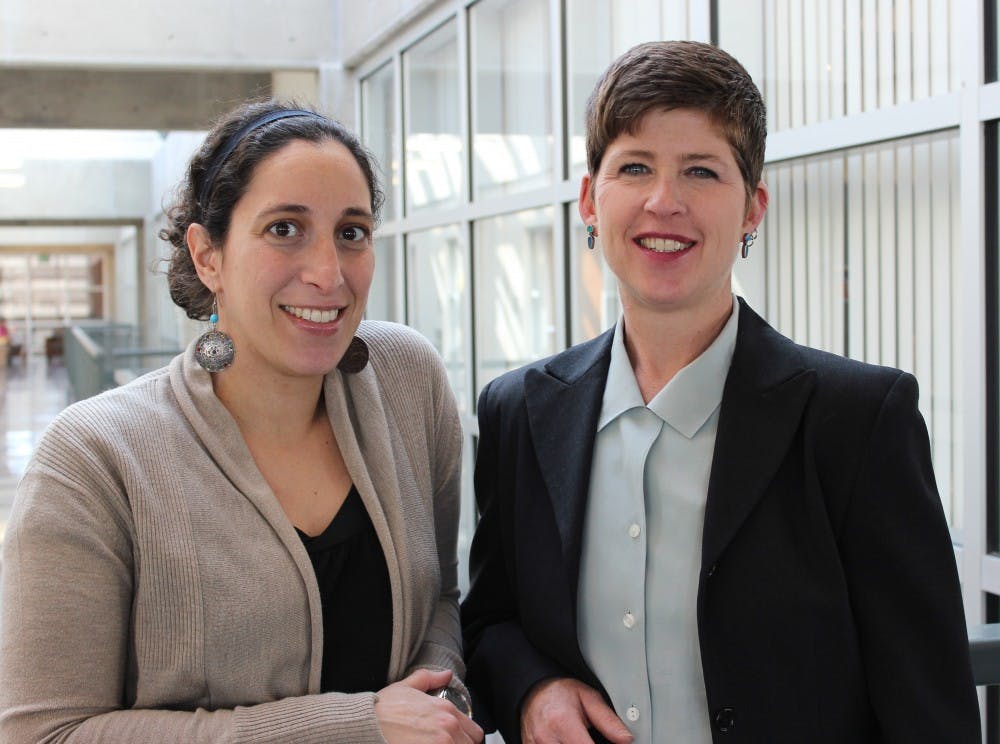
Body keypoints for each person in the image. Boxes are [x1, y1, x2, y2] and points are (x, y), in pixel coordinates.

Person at [461, 40, 980, 744]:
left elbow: (929, 709)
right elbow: (492, 620)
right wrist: (534, 690)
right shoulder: (519, 411)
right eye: (635, 167)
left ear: (752, 209)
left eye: (701, 171)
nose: (663, 201)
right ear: (589, 198)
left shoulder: (856, 421)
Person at [0, 100, 483, 744]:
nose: (328, 274)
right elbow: (45, 733)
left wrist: (438, 698)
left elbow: (440, 603)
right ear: (207, 256)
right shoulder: (96, 455)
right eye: (285, 229)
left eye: (352, 231)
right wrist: (355, 726)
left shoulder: (405, 379)